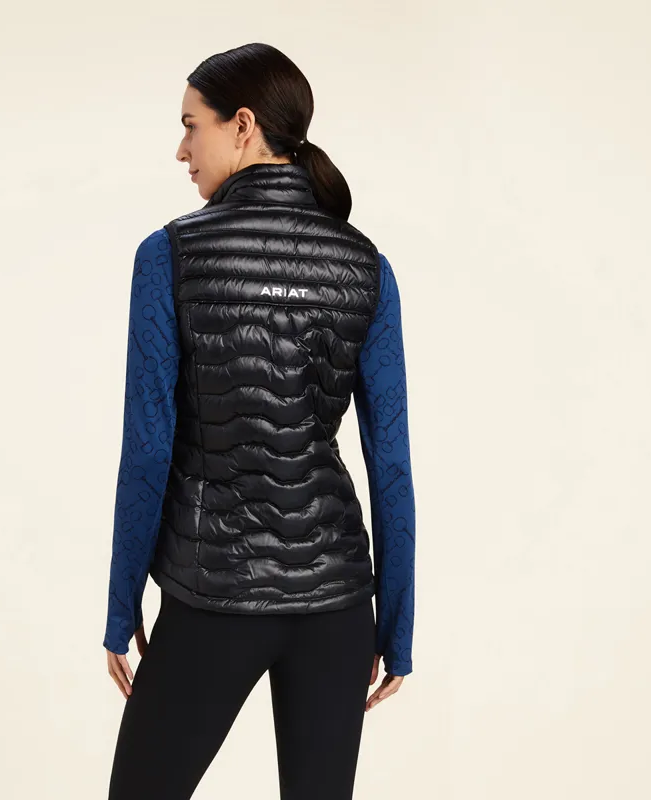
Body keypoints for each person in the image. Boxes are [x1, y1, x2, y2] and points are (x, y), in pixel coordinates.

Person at [103, 42, 416, 800]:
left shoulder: (170, 255)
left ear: (242, 125)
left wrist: (121, 605)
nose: (182, 150)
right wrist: (396, 626)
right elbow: (391, 460)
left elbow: (147, 446)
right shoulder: (366, 265)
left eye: (191, 125)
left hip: (213, 595)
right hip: (340, 604)